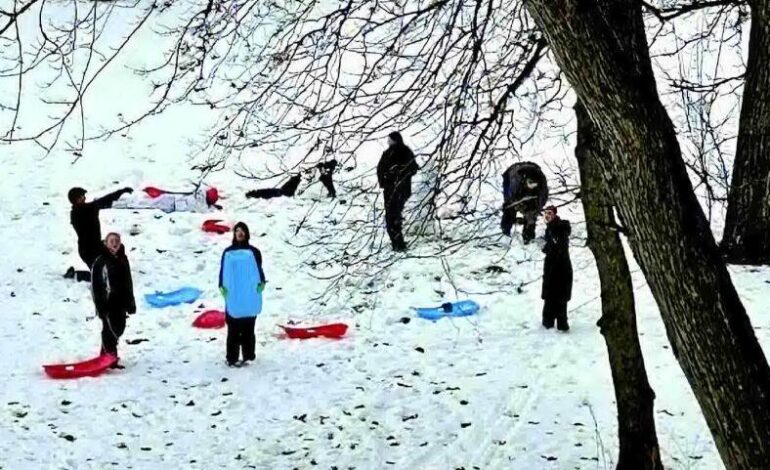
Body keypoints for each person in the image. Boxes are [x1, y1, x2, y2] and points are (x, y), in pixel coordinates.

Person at [218, 222, 267, 367]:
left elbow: (258, 270)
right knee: (233, 328)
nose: (240, 233)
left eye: (242, 230)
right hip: (234, 294)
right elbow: (224, 271)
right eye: (237, 231)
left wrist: (261, 282)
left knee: (248, 328)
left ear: (247, 233)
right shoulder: (228, 253)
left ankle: (249, 356)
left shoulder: (254, 252)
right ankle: (232, 358)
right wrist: (221, 285)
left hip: (249, 295)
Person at [65, 185, 133, 281]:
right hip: (89, 251)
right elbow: (105, 199)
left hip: (95, 247)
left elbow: (104, 201)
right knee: (100, 278)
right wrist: (121, 191)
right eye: (82, 196)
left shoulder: (76, 212)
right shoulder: (87, 209)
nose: (84, 197)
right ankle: (75, 275)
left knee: (108, 273)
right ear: (77, 199)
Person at [91, 232, 136, 367]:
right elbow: (96, 286)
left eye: (117, 240)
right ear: (106, 243)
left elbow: (128, 281)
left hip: (121, 300)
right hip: (107, 302)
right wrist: (100, 306)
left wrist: (130, 302)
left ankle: (105, 354)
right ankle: (110, 358)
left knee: (119, 327)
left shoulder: (123, 259)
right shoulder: (100, 262)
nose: (115, 243)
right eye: (111, 241)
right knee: (109, 328)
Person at [377, 131, 419, 251]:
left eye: (389, 139)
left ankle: (399, 243)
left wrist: (400, 174)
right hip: (390, 190)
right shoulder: (387, 153)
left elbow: (413, 168)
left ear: (395, 139)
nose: (388, 141)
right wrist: (384, 181)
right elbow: (380, 169)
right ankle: (396, 243)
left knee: (394, 216)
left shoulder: (405, 152)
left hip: (401, 190)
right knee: (391, 216)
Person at [540, 205, 572, 331]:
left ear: (554, 214)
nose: (547, 215)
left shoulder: (559, 228)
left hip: (560, 268)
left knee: (559, 297)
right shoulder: (550, 228)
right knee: (550, 296)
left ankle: (560, 325)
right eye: (545, 213)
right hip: (552, 266)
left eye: (549, 213)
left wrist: (550, 249)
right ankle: (548, 323)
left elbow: (560, 247)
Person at [501, 162, 549, 243]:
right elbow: (510, 200)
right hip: (510, 175)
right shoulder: (515, 183)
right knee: (509, 208)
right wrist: (517, 206)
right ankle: (505, 233)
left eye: (534, 185)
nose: (532, 186)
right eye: (530, 183)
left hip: (533, 171)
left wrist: (533, 212)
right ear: (526, 181)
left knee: (531, 215)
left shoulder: (542, 186)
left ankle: (528, 239)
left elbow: (543, 200)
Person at [111, 185, 220, 213]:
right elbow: (205, 210)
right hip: (170, 204)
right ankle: (115, 204)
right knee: (143, 204)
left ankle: (117, 201)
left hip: (169, 198)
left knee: (143, 202)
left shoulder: (199, 193)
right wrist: (214, 207)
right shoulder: (201, 204)